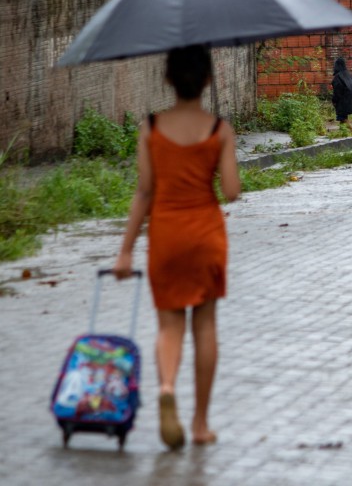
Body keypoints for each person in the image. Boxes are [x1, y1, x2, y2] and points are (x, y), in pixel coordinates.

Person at [112, 45, 240, 449]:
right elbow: (231, 191)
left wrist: (125, 251)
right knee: (205, 326)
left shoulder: (151, 127)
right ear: (207, 80)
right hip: (205, 235)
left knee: (169, 326)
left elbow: (145, 192)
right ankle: (200, 424)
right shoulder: (219, 130)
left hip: (166, 235)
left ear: (167, 78)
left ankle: (167, 387)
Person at [330, 57, 352, 134]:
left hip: (343, 100)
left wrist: (334, 100)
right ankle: (343, 132)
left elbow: (337, 92)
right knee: (342, 117)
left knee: (342, 117)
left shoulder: (338, 77)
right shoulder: (348, 75)